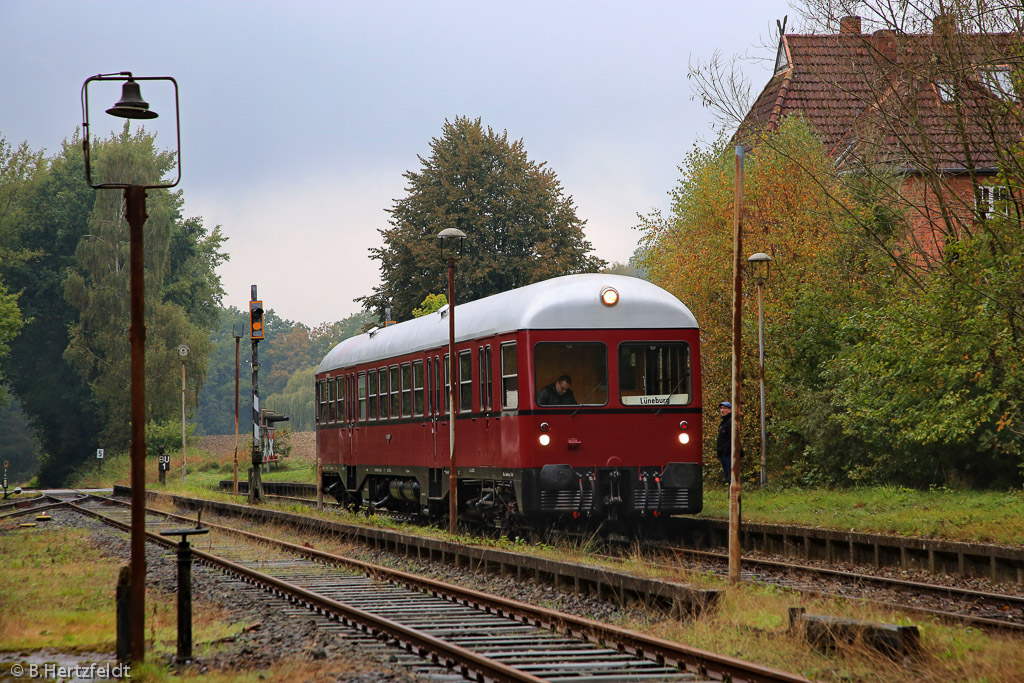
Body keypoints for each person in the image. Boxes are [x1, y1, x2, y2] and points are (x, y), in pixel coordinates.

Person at [716, 401, 733, 484]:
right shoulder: (724, 422)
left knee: (731, 476)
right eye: (721, 408)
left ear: (730, 410)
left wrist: (726, 450)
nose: (722, 410)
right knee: (727, 476)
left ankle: (733, 495)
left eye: (725, 408)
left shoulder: (730, 422)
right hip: (722, 453)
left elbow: (731, 438)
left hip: (728, 454)